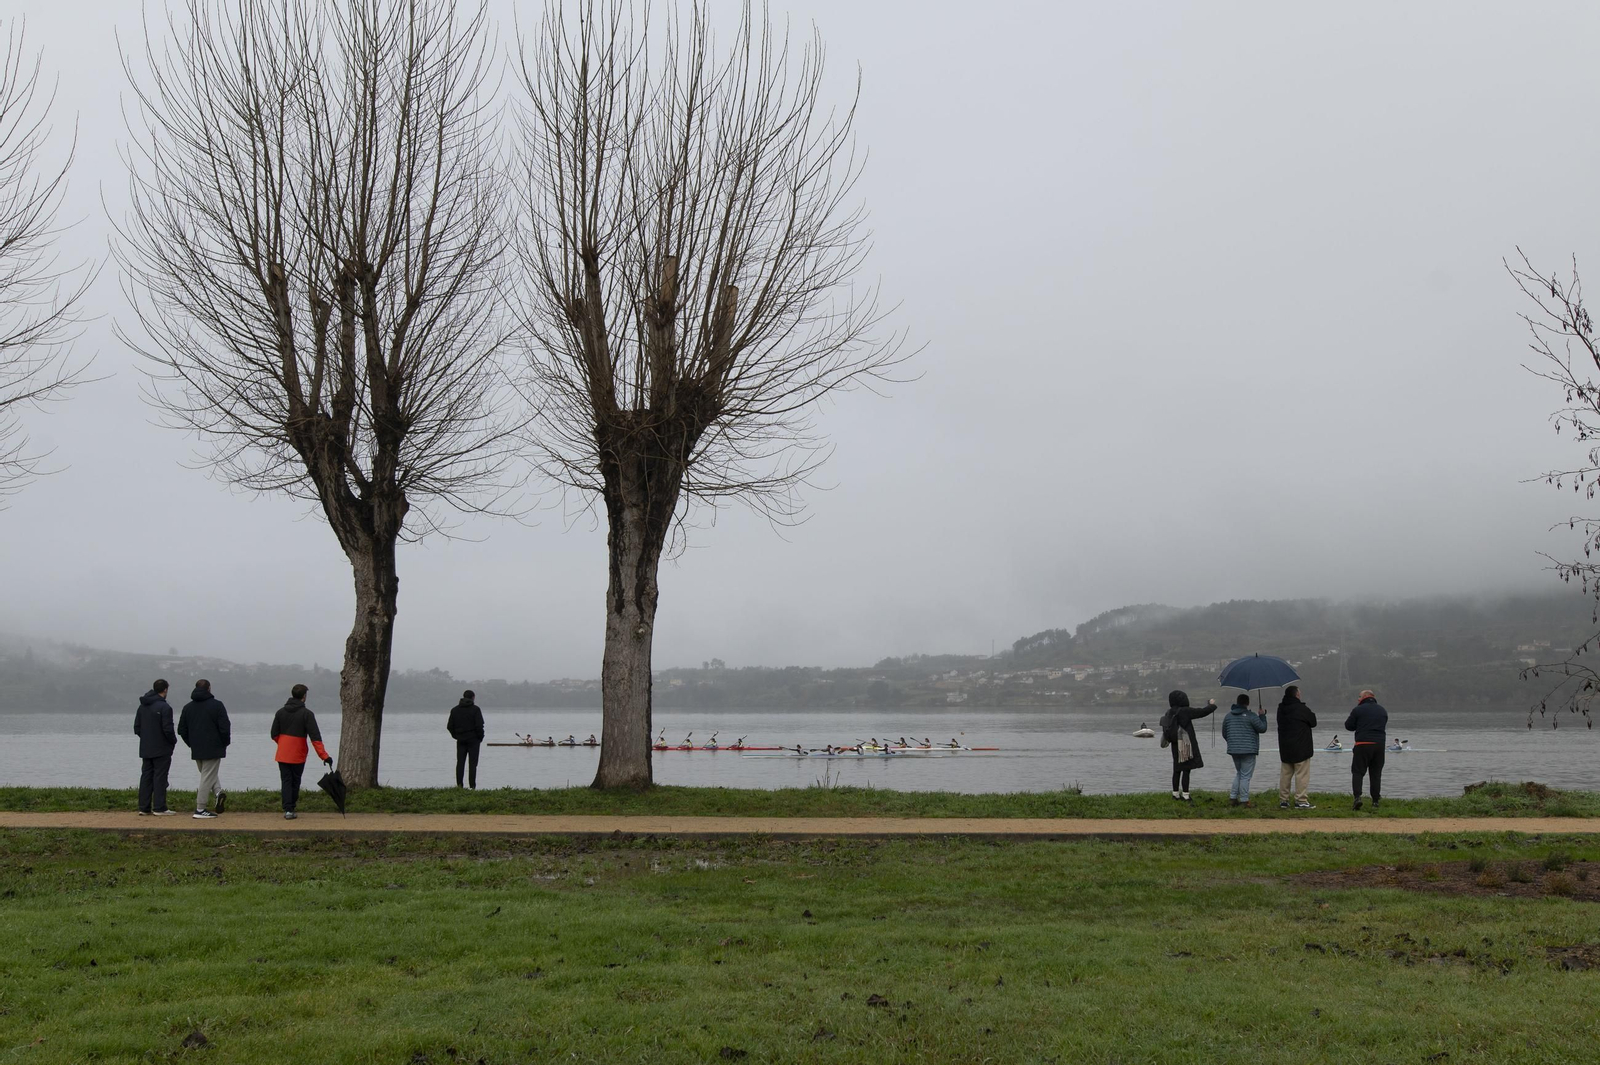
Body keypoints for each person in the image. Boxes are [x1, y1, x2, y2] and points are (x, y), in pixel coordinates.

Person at [270, 683, 331, 820]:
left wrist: (284, 743)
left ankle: (287, 809)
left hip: (283, 753)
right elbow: (315, 738)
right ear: (304, 697)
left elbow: (273, 734)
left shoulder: (280, 712)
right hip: (298, 753)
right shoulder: (307, 714)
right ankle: (291, 807)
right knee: (295, 780)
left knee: (286, 780)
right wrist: (324, 756)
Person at [177, 679, 231, 818]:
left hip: (197, 748)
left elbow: (181, 729)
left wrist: (191, 743)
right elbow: (225, 728)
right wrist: (224, 743)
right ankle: (200, 809)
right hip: (214, 747)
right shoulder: (217, 705)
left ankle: (218, 792)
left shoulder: (187, 707)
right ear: (209, 689)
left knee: (207, 774)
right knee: (207, 777)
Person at [134, 679, 178, 816]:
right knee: (160, 777)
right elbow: (168, 729)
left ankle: (144, 807)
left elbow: (137, 728)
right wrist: (172, 741)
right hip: (162, 748)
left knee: (146, 776)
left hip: (146, 747)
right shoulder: (165, 708)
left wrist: (147, 738)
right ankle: (160, 807)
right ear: (165, 690)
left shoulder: (142, 706)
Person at [1161, 690, 1216, 801]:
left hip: (1175, 743)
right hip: (1185, 743)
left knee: (1176, 769)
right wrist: (1212, 705)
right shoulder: (1185, 711)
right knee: (1186, 769)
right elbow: (1202, 712)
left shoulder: (1169, 712)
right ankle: (1186, 795)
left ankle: (1175, 794)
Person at [1221, 693, 1268, 807]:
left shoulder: (1228, 716)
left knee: (1239, 773)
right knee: (1246, 775)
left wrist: (1233, 743)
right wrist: (1262, 716)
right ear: (1247, 703)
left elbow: (1224, 733)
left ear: (1237, 702)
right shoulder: (1251, 716)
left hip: (1234, 750)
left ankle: (1233, 797)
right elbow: (1262, 728)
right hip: (1249, 750)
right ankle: (1244, 800)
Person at [1345, 690, 1389, 810]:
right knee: (1375, 773)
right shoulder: (1382, 710)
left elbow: (1348, 726)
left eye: (1359, 697)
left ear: (1365, 697)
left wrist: (1359, 725)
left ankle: (1357, 798)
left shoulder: (1358, 710)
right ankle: (1375, 801)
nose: (1358, 699)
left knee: (1358, 772)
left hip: (1363, 744)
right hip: (1379, 745)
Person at [1275, 685, 1318, 810]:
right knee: (1302, 774)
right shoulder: (1301, 708)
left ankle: (1284, 800)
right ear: (1297, 695)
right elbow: (1313, 722)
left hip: (1285, 746)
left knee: (1285, 774)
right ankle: (1301, 800)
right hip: (1301, 747)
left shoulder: (1281, 709)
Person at [446, 689, 485, 789]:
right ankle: (472, 786)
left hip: (461, 740)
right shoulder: (476, 709)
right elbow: (479, 726)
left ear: (463, 697)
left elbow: (450, 726)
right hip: (474, 740)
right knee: (473, 764)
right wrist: (480, 738)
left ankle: (459, 785)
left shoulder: (455, 710)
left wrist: (456, 736)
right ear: (473, 697)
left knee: (460, 763)